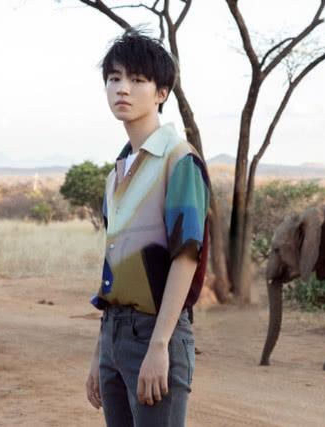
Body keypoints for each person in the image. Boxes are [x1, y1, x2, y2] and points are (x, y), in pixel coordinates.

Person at [85, 29, 210, 427]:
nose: (122, 88)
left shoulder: (179, 160)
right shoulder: (117, 173)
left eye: (137, 79)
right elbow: (116, 265)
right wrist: (101, 351)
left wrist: (160, 346)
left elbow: (186, 257)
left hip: (157, 332)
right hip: (114, 332)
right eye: (114, 78)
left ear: (162, 93)